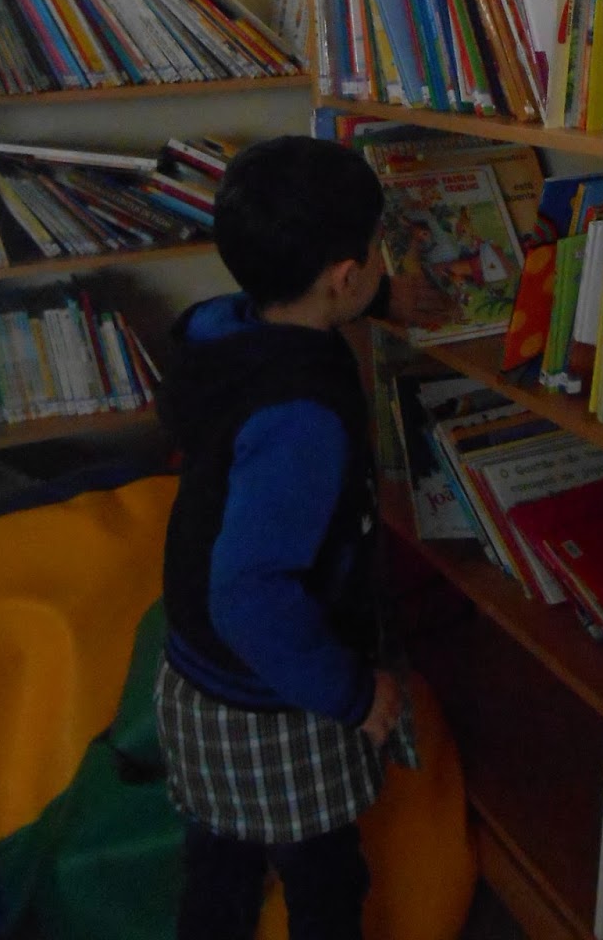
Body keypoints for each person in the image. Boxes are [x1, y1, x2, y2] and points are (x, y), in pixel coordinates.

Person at [153, 135, 446, 940]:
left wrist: (374, 303)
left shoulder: (222, 330)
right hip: (272, 694)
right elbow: (252, 594)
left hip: (197, 668)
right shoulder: (302, 419)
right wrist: (354, 693)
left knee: (219, 859)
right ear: (343, 276)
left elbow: (292, 310)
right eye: (376, 255)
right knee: (325, 878)